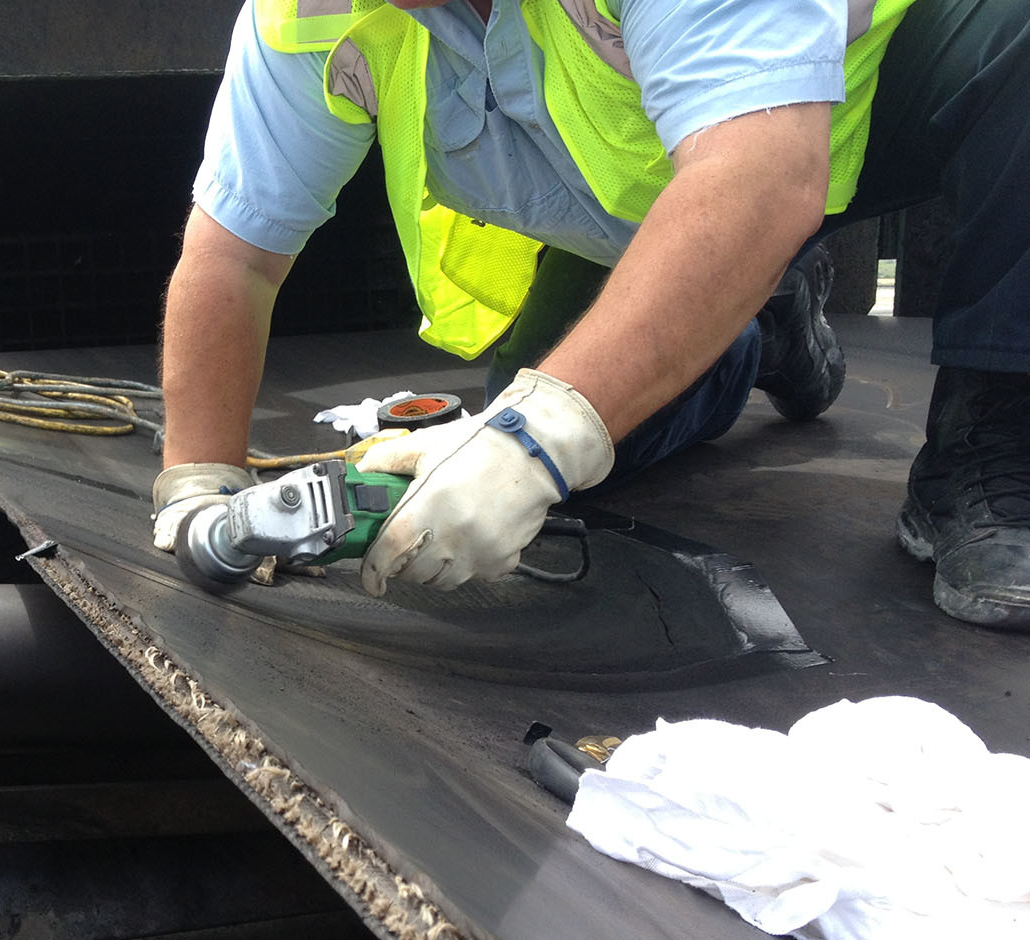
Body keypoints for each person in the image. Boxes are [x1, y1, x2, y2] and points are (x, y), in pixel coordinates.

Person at [152, 0, 1029, 627]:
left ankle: (996, 442)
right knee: (537, 448)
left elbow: (764, 170)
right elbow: (235, 260)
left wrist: (539, 436)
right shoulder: (304, 16)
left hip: (855, 106)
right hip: (661, 207)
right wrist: (200, 482)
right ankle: (757, 316)